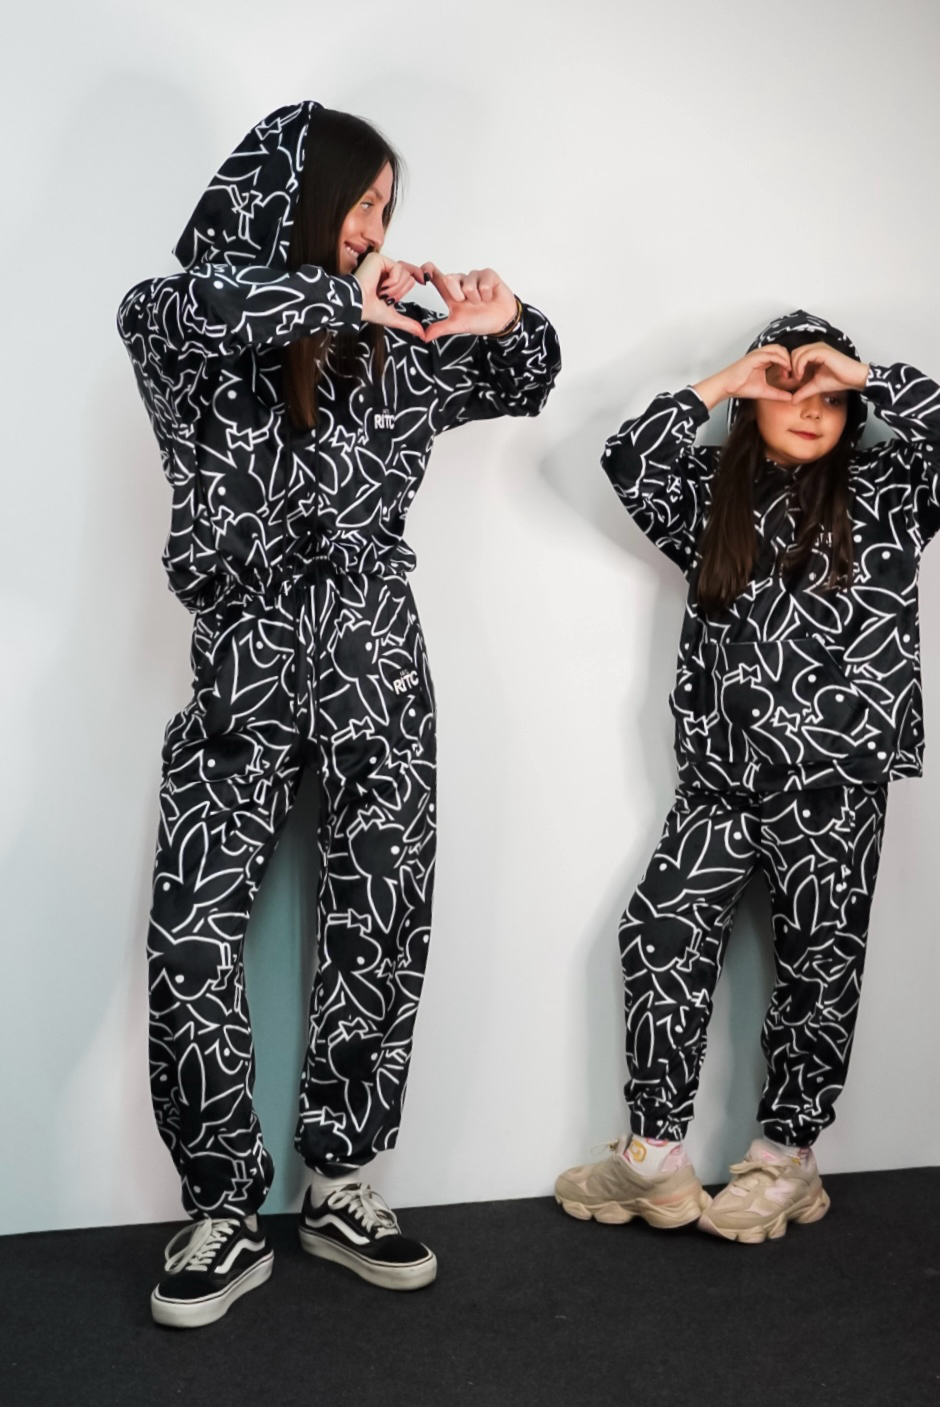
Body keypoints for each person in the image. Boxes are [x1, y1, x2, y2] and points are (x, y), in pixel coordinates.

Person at [118, 100, 560, 1326]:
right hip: (242, 661)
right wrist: (344, 295)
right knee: (191, 938)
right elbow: (187, 307)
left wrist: (501, 315)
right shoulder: (182, 325)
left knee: (381, 919)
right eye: (360, 203)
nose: (374, 230)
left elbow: (526, 378)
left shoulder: (392, 346)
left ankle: (341, 1182)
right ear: (294, 196)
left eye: (385, 211)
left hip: (376, 654)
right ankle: (221, 1203)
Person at [555, 311, 939, 1244]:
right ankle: (653, 1158)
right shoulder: (709, 496)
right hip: (721, 782)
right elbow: (626, 455)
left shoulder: (893, 490)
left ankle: (787, 1160)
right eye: (790, 391)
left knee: (820, 965)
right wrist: (727, 380)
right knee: (658, 935)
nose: (811, 410)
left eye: (830, 398)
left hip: (836, 783)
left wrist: (864, 372)